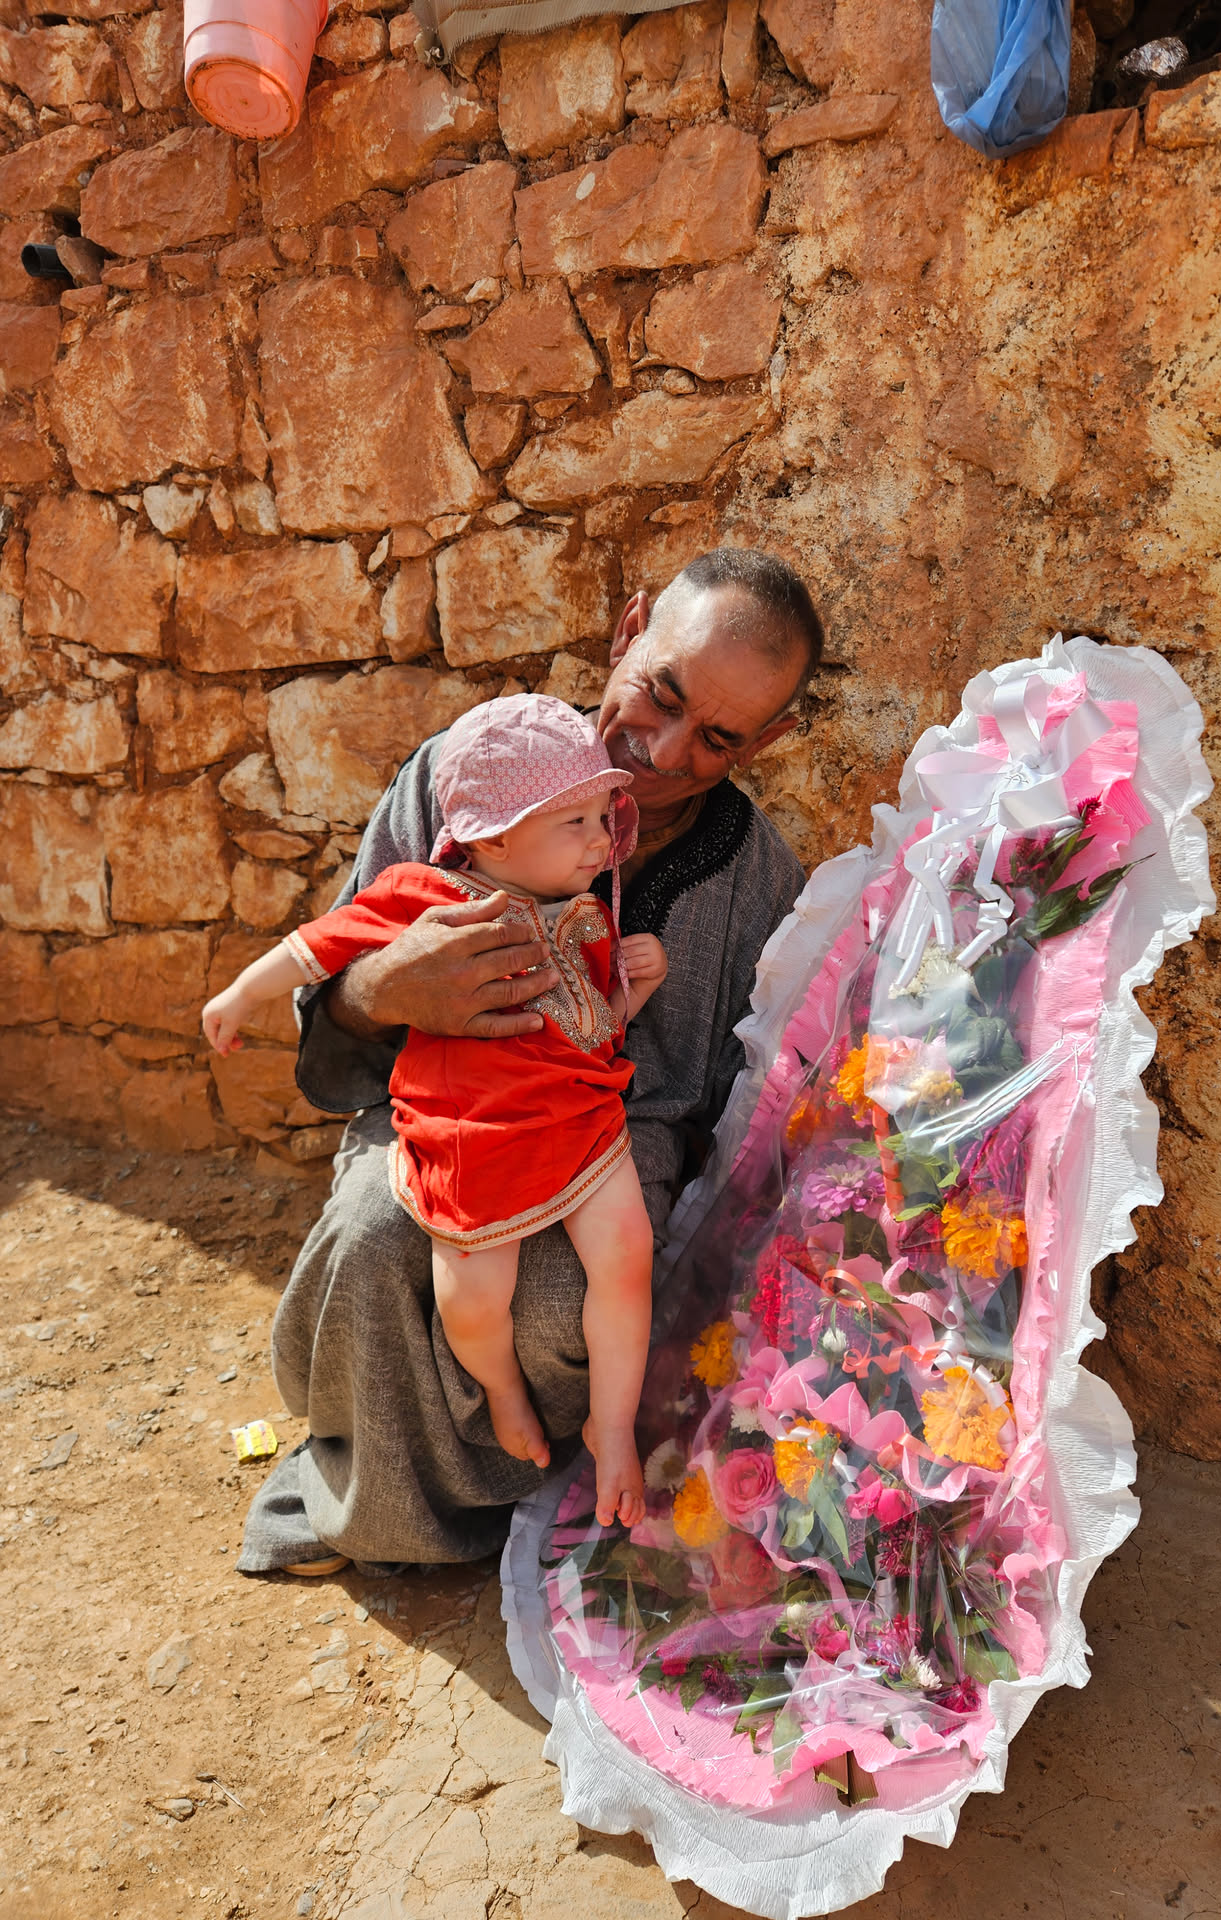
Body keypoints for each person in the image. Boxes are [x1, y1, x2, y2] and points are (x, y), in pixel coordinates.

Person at [237, 548, 822, 1578]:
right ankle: (378, 1508)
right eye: (661, 693)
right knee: (376, 1235)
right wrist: (387, 990)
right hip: (437, 1107)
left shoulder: (761, 878)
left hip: (618, 1141)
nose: (664, 750)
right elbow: (333, 977)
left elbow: (736, 1108)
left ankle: (539, 1481)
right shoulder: (467, 772)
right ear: (628, 630)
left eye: (718, 738)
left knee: (562, 1303)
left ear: (765, 740)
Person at [204, 697, 668, 1529]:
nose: (601, 841)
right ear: (494, 837)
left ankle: (613, 1422)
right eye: (575, 822)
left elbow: (592, 1027)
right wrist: (241, 994)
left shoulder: (589, 913)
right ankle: (500, 1389)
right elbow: (321, 944)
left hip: (582, 1121)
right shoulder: (423, 895)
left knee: (628, 1258)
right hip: (473, 1139)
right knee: (474, 1301)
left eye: (604, 818)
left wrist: (641, 985)